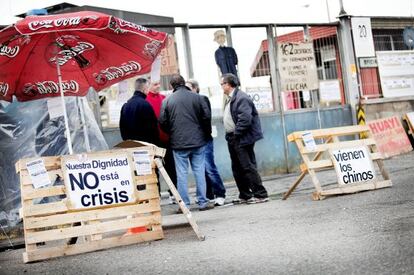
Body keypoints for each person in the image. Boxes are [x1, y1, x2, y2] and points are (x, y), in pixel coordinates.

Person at [159, 74, 214, 211]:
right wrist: (205, 134)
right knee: (199, 171)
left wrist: (172, 132)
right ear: (184, 83)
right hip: (198, 141)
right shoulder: (198, 98)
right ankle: (203, 202)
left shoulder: (167, 101)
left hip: (178, 143)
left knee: (181, 174)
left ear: (172, 86)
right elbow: (206, 117)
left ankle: (184, 205)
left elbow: (162, 122)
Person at [221, 73, 269, 204]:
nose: (221, 86)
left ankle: (260, 194)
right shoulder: (230, 98)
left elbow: (245, 119)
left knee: (247, 166)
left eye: (222, 84)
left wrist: (236, 133)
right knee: (237, 167)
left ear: (229, 84)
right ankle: (245, 194)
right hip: (233, 137)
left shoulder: (241, 98)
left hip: (241, 137)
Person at [186, 79, 226, 206]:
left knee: (209, 167)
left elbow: (206, 118)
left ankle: (220, 193)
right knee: (200, 169)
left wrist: (204, 135)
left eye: (189, 87)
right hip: (194, 140)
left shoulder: (202, 99)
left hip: (204, 139)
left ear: (195, 88)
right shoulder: (187, 102)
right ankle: (208, 194)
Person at [146, 80, 178, 204]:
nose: (158, 86)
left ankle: (173, 193)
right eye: (155, 84)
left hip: (167, 139)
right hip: (153, 141)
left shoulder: (164, 98)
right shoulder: (146, 100)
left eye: (159, 84)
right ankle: (156, 194)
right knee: (154, 169)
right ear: (148, 85)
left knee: (171, 168)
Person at [119, 78, 159, 145]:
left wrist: (127, 141)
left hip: (130, 145)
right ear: (144, 89)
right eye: (148, 88)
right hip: (145, 145)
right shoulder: (146, 105)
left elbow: (122, 127)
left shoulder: (125, 106)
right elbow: (153, 128)